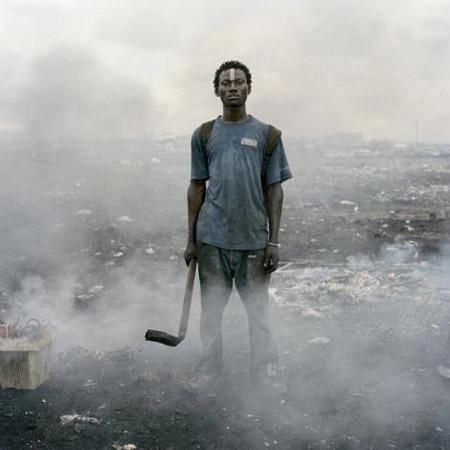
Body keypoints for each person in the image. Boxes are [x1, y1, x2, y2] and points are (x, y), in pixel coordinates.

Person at [184, 61, 292, 390]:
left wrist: (273, 242)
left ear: (249, 88)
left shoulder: (267, 135)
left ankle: (265, 370)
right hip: (212, 240)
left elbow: (275, 189)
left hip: (252, 242)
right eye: (226, 83)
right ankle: (209, 370)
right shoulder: (204, 134)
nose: (232, 86)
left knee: (258, 311)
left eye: (239, 82)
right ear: (216, 90)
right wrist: (191, 240)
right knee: (211, 311)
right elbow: (196, 187)